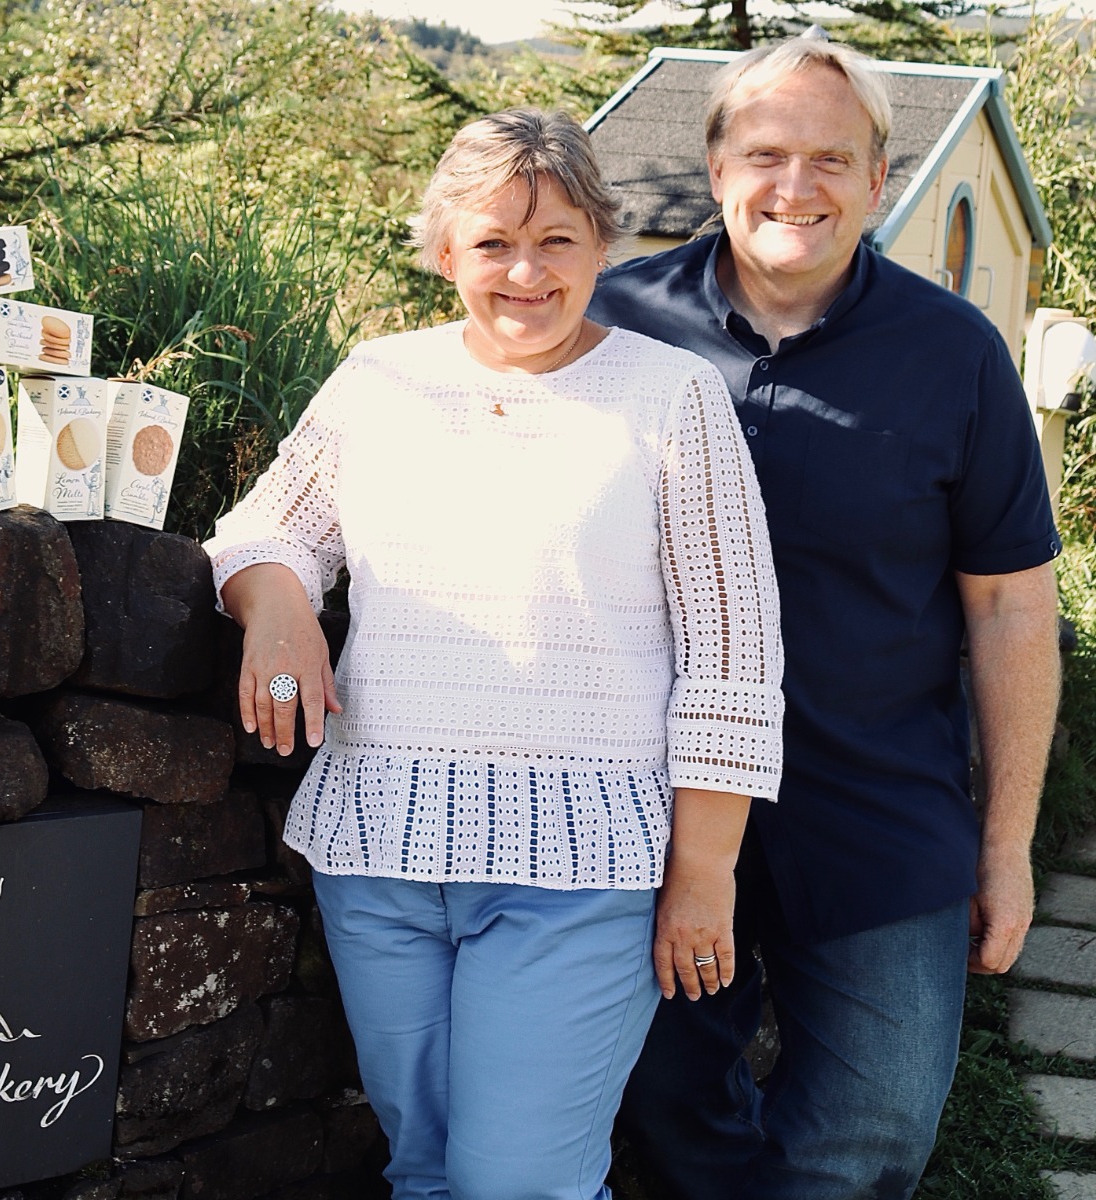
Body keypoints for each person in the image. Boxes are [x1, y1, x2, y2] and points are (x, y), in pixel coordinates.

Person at [203, 108, 784, 1200]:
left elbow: (735, 657)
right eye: (491, 243)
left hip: (582, 868)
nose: (526, 271)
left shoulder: (672, 399)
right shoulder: (380, 381)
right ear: (441, 253)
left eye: (557, 239)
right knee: (424, 1172)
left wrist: (703, 874)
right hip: (379, 849)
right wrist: (277, 611)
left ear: (603, 246)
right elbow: (264, 529)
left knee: (517, 1184)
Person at [587, 35, 1062, 1200]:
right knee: (657, 1098)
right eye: (766, 153)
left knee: (879, 1125)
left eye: (830, 159)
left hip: (879, 809)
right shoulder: (612, 324)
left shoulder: (956, 356)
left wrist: (1006, 847)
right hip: (656, 803)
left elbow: (1010, 609)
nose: (795, 186)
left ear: (879, 180)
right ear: (713, 168)